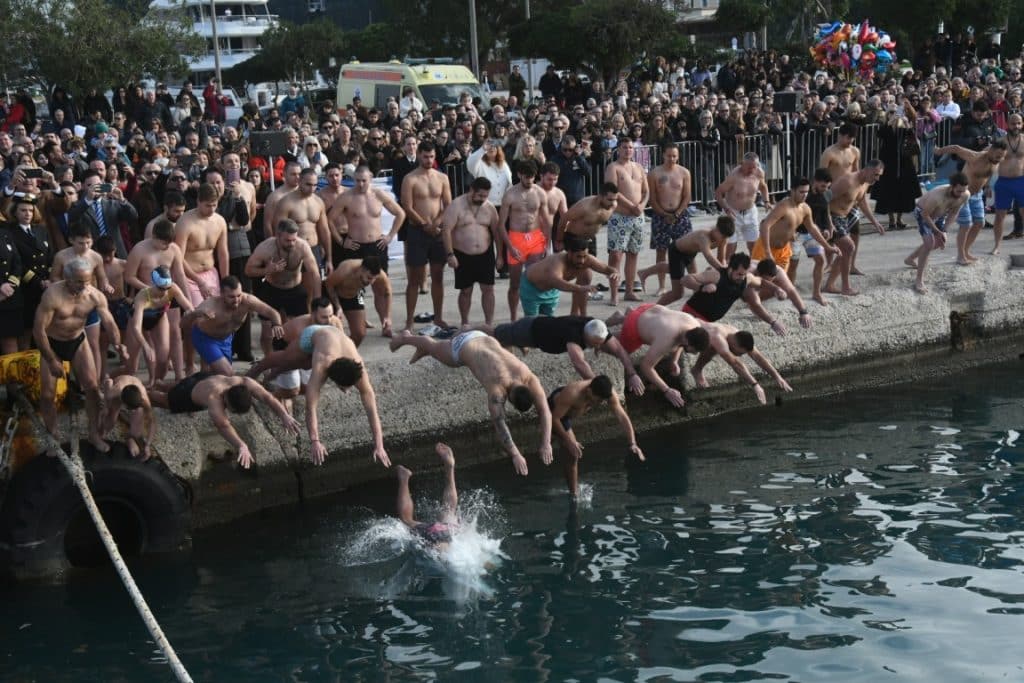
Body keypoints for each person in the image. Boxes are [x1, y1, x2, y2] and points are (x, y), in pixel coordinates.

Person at [389, 329, 552, 475]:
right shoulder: (497, 390)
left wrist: (546, 443)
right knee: (434, 346)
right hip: (462, 345)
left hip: (482, 337)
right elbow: (500, 424)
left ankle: (424, 350)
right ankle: (406, 337)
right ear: (510, 399)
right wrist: (516, 454)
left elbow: (545, 411)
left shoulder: (527, 377)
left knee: (435, 350)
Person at [248, 324, 390, 467]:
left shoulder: (358, 367)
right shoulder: (322, 364)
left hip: (335, 338)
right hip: (315, 334)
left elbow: (372, 411)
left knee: (304, 364)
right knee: (288, 359)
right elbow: (310, 407)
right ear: (330, 377)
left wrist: (379, 446)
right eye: (344, 386)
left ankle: (273, 374)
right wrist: (315, 441)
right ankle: (257, 368)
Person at [33, 257, 126, 453]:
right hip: (52, 344)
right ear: (67, 279)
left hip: (77, 341)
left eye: (87, 280)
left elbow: (109, 322)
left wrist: (118, 345)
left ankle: (93, 434)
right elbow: (38, 331)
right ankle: (53, 436)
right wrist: (51, 360)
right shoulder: (52, 295)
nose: (84, 285)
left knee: (92, 388)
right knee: (48, 395)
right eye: (79, 281)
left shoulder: (94, 295)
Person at [149, 373, 300, 469]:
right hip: (188, 393)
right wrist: (242, 445)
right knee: (164, 400)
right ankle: (145, 393)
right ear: (226, 399)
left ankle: (163, 384)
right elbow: (223, 425)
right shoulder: (214, 398)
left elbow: (267, 397)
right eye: (230, 409)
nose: (229, 412)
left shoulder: (244, 381)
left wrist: (284, 415)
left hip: (204, 377)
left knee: (179, 385)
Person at [329, 165, 405, 336]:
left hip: (377, 246)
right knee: (353, 286)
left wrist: (390, 235)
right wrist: (341, 241)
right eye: (357, 181)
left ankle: (386, 323)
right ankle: (358, 319)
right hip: (356, 246)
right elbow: (329, 220)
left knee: (380, 287)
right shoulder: (346, 197)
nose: (361, 184)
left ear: (370, 178)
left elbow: (400, 213)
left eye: (364, 180)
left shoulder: (379, 195)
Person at [492, 315, 645, 395]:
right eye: (595, 344)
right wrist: (599, 386)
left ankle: (518, 347)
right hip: (529, 331)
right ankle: (476, 332)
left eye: (600, 343)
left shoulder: (596, 327)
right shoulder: (574, 337)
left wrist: (632, 374)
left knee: (504, 344)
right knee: (494, 334)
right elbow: (580, 364)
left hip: (545, 325)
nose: (598, 347)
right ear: (585, 337)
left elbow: (619, 350)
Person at [548, 375, 644, 498]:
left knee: (560, 445)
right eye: (597, 400)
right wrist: (569, 442)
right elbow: (555, 418)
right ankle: (574, 494)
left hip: (567, 413)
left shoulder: (607, 393)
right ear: (589, 390)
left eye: (601, 401)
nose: (598, 403)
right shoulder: (573, 393)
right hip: (556, 412)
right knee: (573, 453)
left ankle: (552, 440)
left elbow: (622, 417)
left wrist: (633, 443)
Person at [752, 178, 839, 306]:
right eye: (801, 192)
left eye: (806, 192)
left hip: (784, 250)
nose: (805, 195)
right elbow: (765, 225)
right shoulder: (783, 206)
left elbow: (812, 229)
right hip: (765, 248)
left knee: (778, 284)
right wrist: (768, 252)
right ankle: (751, 300)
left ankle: (755, 302)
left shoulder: (805, 208)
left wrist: (827, 247)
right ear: (793, 191)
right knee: (757, 281)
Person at [605, 304, 711, 409]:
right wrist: (667, 390)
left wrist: (674, 360)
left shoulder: (694, 325)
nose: (694, 354)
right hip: (634, 326)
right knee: (617, 350)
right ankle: (606, 333)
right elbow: (646, 366)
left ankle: (622, 317)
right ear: (687, 342)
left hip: (650, 309)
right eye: (693, 350)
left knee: (644, 326)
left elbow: (682, 342)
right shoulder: (667, 340)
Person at [246, 219, 322, 357]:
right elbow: (248, 270)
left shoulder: (302, 246)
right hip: (272, 288)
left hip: (295, 289)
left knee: (299, 330)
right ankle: (269, 360)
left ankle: (293, 359)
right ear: (278, 235)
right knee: (268, 333)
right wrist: (267, 270)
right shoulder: (266, 248)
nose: (291, 243)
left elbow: (314, 273)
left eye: (294, 239)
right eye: (287, 240)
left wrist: (317, 300)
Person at [50, 223, 115, 381]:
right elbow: (54, 277)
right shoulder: (61, 256)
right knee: (71, 344)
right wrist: (66, 286)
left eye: (88, 242)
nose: (85, 246)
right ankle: (76, 382)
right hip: (67, 304)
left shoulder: (95, 257)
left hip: (89, 303)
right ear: (71, 240)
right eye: (81, 243)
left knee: (93, 344)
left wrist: (106, 285)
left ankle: (96, 383)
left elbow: (102, 277)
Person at [182, 275, 285, 375]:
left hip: (226, 339)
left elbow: (272, 312)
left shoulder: (247, 300)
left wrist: (277, 324)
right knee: (227, 373)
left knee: (215, 375)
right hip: (206, 339)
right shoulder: (211, 306)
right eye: (231, 297)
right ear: (222, 294)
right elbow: (182, 324)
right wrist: (195, 314)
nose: (236, 300)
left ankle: (200, 380)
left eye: (239, 295)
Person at [175, 182, 229, 371]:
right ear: (198, 202)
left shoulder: (220, 221)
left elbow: (223, 253)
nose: (211, 209)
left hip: (211, 273)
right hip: (190, 275)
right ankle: (190, 363)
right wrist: (198, 281)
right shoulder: (185, 222)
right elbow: (178, 257)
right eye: (207, 205)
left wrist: (226, 280)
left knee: (213, 319)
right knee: (196, 320)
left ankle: (207, 364)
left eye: (214, 205)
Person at [401, 141, 453, 331]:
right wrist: (424, 225)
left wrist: (436, 224)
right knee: (414, 279)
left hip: (436, 232)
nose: (429, 160)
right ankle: (409, 321)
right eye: (425, 156)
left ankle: (438, 318)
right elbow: (407, 207)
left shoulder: (442, 178)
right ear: (419, 155)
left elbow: (448, 204)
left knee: (438, 276)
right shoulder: (410, 179)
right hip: (417, 231)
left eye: (432, 156)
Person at [934, 140, 1008, 263]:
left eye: (1002, 157)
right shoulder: (975, 157)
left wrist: (988, 186)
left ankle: (966, 251)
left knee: (979, 223)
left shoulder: (995, 159)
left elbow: (989, 173)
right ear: (991, 151)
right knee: (966, 224)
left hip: (977, 195)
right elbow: (956, 147)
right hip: (962, 195)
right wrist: (939, 151)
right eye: (998, 156)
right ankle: (960, 255)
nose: (999, 159)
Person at [117, 265, 193, 385]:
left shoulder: (173, 288)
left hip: (159, 318)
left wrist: (192, 313)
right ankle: (109, 378)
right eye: (161, 289)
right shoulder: (143, 296)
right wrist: (146, 346)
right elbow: (136, 327)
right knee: (130, 368)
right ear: (153, 284)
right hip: (138, 323)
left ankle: (155, 385)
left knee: (163, 359)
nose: (165, 292)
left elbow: (188, 307)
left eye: (167, 288)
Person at [442, 177, 501, 328]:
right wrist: (450, 254)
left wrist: (500, 255)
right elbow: (446, 231)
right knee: (466, 290)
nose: (482, 199)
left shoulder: (489, 208)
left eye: (485, 196)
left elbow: (497, 233)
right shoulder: (456, 205)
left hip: (485, 253)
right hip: (462, 254)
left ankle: (489, 323)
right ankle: (465, 323)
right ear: (472, 190)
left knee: (488, 289)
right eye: (480, 195)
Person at [690, 321, 792, 405]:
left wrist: (777, 377)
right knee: (715, 346)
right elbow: (735, 363)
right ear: (735, 345)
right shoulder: (719, 338)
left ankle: (697, 370)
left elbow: (758, 357)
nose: (741, 355)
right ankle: (696, 371)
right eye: (741, 353)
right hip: (687, 333)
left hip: (701, 334)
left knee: (713, 347)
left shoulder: (736, 334)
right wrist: (755, 385)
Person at [639, 216, 733, 306]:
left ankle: (644, 272)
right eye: (723, 236)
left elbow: (721, 259)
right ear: (716, 229)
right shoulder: (703, 236)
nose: (724, 239)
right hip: (677, 252)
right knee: (678, 293)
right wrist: (723, 270)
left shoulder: (723, 239)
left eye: (726, 237)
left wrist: (724, 271)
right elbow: (708, 256)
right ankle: (652, 308)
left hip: (691, 253)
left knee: (678, 272)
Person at [556, 184, 619, 315]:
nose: (612, 203)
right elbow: (564, 219)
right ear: (600, 196)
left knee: (584, 279)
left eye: (615, 199)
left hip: (590, 240)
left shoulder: (613, 205)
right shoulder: (585, 206)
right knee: (586, 277)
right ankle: (579, 314)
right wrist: (559, 240)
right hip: (574, 238)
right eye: (609, 199)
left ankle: (575, 313)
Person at [520, 234, 619, 317]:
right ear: (570, 253)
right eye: (578, 257)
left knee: (548, 323)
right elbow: (557, 282)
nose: (582, 260)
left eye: (584, 256)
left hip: (551, 291)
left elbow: (605, 268)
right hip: (531, 288)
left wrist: (614, 272)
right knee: (532, 322)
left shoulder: (587, 260)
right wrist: (580, 288)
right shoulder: (558, 262)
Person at [825, 161, 885, 296]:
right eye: (875, 174)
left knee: (845, 250)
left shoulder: (866, 183)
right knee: (849, 247)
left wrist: (875, 222)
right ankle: (846, 287)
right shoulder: (847, 181)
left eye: (879, 175)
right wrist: (828, 222)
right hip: (830, 215)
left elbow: (862, 201)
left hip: (843, 217)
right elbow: (824, 199)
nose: (877, 179)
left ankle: (829, 285)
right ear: (867, 170)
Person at [497, 161, 548, 319]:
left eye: (532, 177)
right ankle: (513, 317)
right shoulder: (510, 194)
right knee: (515, 284)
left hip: (535, 238)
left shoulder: (540, 193)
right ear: (519, 175)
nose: (529, 181)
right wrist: (510, 247)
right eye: (526, 177)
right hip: (516, 239)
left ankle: (533, 316)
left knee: (535, 281)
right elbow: (501, 225)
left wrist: (548, 245)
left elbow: (547, 221)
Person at [905, 173, 969, 294]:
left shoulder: (965, 195)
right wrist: (936, 231)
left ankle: (910, 258)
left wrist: (944, 231)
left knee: (939, 242)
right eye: (958, 191)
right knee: (929, 243)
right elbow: (925, 215)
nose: (961, 194)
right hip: (923, 213)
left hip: (940, 213)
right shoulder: (937, 196)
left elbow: (954, 213)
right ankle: (919, 280)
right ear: (952, 187)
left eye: (963, 191)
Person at [604, 138, 649, 306]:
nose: (628, 150)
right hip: (620, 216)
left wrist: (642, 205)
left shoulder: (638, 167)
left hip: (638, 217)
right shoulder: (613, 167)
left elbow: (646, 191)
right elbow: (612, 191)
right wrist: (631, 206)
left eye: (630, 147)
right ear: (619, 149)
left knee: (633, 253)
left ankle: (629, 291)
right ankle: (614, 294)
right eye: (624, 147)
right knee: (616, 255)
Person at [647, 141, 692, 295]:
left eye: (674, 156)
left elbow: (687, 196)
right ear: (663, 155)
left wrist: (677, 213)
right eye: (669, 156)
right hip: (661, 216)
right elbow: (652, 199)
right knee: (661, 251)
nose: (671, 159)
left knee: (688, 249)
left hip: (680, 215)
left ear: (678, 156)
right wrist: (664, 214)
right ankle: (662, 285)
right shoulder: (654, 173)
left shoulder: (684, 172)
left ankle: (692, 282)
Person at [394, 443, 460, 549]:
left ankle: (450, 467)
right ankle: (403, 477)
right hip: (435, 538)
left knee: (449, 511)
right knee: (407, 521)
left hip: (450, 531)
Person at [271, 168, 332, 276]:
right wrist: (280, 256)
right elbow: (277, 232)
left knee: (315, 283)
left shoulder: (318, 202)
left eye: (315, 185)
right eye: (308, 184)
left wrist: (329, 259)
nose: (312, 189)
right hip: (292, 250)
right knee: (294, 284)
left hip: (314, 249)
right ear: (299, 181)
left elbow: (324, 231)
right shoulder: (286, 202)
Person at [715, 152, 772, 258]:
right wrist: (726, 209)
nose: (752, 170)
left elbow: (763, 186)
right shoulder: (734, 176)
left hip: (750, 212)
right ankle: (727, 266)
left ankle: (753, 267)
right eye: (749, 167)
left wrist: (766, 201)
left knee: (754, 246)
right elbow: (718, 192)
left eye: (754, 167)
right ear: (742, 164)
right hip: (732, 212)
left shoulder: (759, 173)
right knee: (730, 247)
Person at [323, 255, 387, 346]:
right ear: (362, 269)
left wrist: (387, 317)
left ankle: (347, 351)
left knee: (360, 333)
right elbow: (328, 284)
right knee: (333, 332)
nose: (371, 282)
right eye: (369, 278)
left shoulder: (380, 275)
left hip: (354, 295)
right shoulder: (346, 269)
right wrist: (338, 306)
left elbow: (388, 292)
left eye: (374, 279)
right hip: (334, 294)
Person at [99, 376, 154, 460]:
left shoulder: (144, 399)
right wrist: (106, 405)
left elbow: (152, 422)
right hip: (120, 388)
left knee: (136, 433)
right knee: (109, 422)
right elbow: (108, 381)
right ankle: (103, 431)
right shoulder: (114, 392)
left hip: (135, 390)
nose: (131, 411)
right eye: (129, 409)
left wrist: (147, 445)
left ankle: (129, 439)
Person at [991, 114, 1024, 254]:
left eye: (1018, 123)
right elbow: (991, 162)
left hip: (1021, 181)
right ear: (1007, 124)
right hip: (1004, 182)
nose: (1016, 126)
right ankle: (997, 246)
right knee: (1000, 216)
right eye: (1013, 123)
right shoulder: (1000, 142)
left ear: (1022, 124)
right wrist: (987, 184)